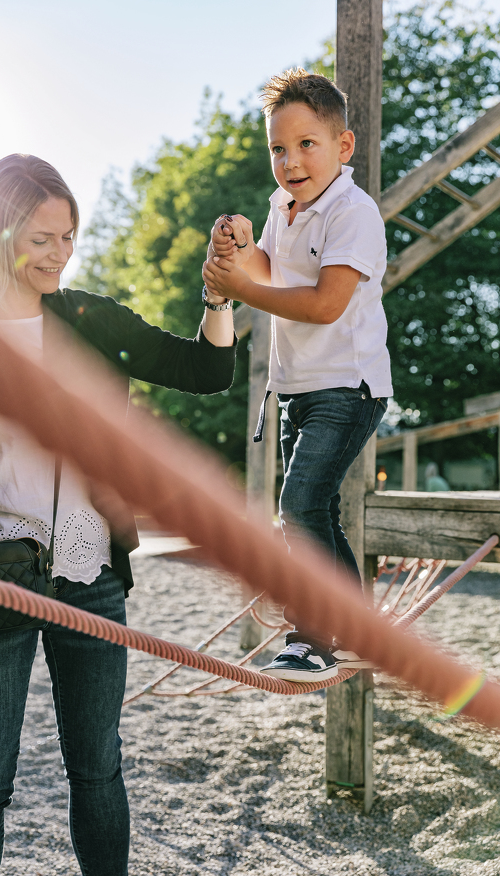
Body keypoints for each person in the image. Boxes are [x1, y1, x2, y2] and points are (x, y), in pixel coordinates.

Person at [0, 153, 236, 876]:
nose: (61, 254)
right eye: (42, 239)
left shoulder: (89, 317)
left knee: (98, 771)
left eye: (69, 236)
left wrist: (219, 298)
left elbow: (206, 371)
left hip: (90, 578)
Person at [203, 68, 392, 682]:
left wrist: (242, 290)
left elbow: (323, 304)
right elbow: (272, 268)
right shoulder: (283, 206)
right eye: (278, 148)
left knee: (300, 503)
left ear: (344, 146)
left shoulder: (353, 213)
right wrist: (245, 245)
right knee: (313, 512)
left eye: (306, 144)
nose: (290, 161)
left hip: (348, 384)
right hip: (297, 388)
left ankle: (314, 634)